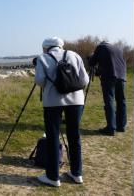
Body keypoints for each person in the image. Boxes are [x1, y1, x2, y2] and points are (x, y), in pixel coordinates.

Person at [34, 36, 89, 187]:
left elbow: (39, 80)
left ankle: (53, 177)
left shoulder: (43, 58)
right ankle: (77, 174)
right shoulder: (74, 55)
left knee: (52, 136)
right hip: (76, 100)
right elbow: (85, 80)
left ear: (46, 47)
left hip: (52, 101)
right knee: (74, 135)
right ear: (61, 45)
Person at [88, 40, 127, 136]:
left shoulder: (101, 47)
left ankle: (111, 128)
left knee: (109, 101)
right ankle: (121, 126)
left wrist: (91, 56)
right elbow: (112, 63)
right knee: (121, 100)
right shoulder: (118, 48)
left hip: (109, 77)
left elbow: (92, 62)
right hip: (122, 77)